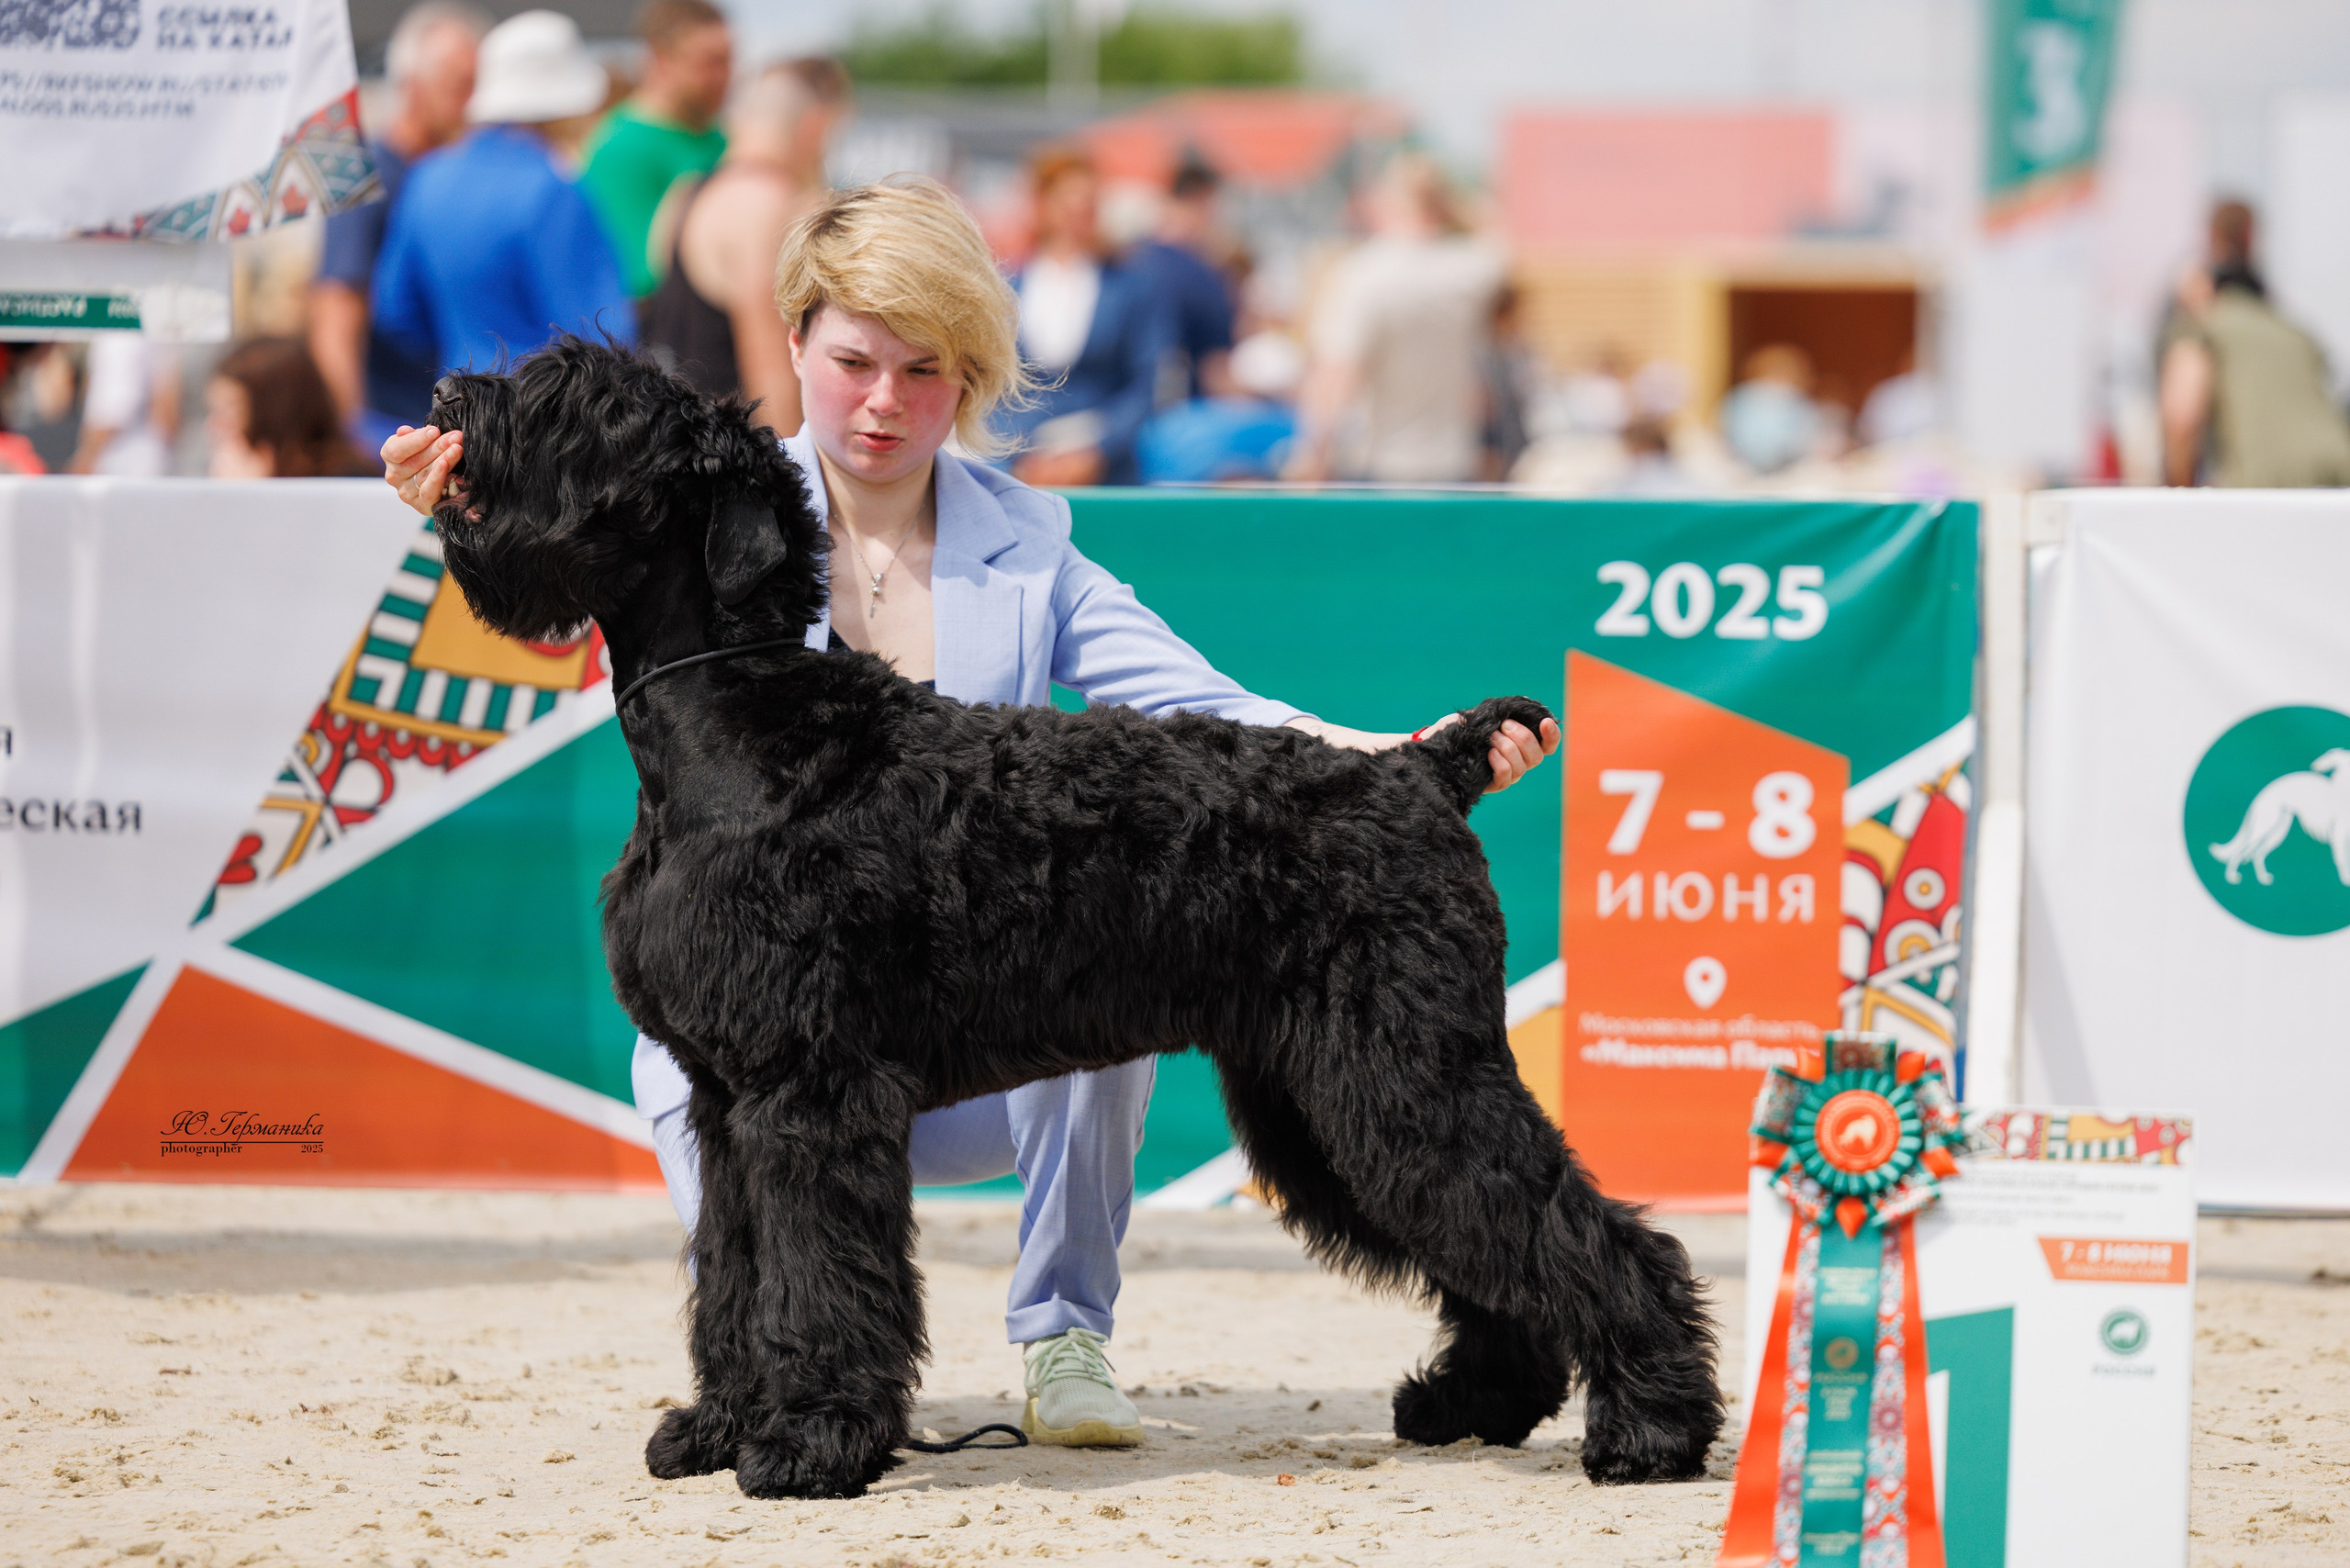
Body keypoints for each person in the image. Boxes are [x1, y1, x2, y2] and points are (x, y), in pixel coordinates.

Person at [379, 176, 1557, 1452]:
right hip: (817, 997)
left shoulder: (1030, 541)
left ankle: (1063, 1340)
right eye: (854, 362)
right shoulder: (705, 496)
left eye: (925, 371)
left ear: (973, 379)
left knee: (1122, 1002)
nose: (885, 401)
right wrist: (459, 510)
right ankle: (756, 1384)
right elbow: (549, 593)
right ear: (794, 346)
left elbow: (1212, 702)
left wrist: (1414, 757)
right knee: (757, 1101)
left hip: (978, 1023)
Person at [373, 10, 634, 377]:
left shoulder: (427, 178)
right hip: (545, 423)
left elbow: (397, 311)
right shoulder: (553, 191)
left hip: (458, 415)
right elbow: (605, 340)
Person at [309, 1, 486, 452]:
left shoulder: (457, 175)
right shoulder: (372, 175)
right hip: (391, 425)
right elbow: (337, 308)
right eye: (458, 86)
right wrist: (350, 435)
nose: (472, 102)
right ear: (412, 86)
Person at [641, 57, 848, 430]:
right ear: (816, 127)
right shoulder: (765, 205)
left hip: (669, 439)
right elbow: (770, 372)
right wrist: (797, 478)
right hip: (730, 462)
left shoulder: (685, 192)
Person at [1289, 153, 1505, 484]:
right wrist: (1458, 208)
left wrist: (1312, 453)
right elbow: (1498, 236)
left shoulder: (1363, 274)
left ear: (1385, 201)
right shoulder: (1469, 272)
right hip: (1452, 462)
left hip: (1378, 464)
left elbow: (1337, 375)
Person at [997, 149, 1174, 488]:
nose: (1078, 215)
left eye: (1088, 204)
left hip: (1105, 459)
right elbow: (992, 387)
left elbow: (1146, 383)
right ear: (1043, 205)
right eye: (1068, 203)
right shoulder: (1008, 286)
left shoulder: (1130, 286)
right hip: (1025, 459)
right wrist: (1018, 452)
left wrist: (1097, 451)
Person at [2158, 199, 2350, 488]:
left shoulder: (2202, 325)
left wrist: (2177, 498)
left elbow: (2182, 418)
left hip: (2265, 489)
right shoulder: (2292, 331)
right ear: (2252, 237)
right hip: (2340, 478)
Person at [580, 0, 733, 300]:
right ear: (660, 59)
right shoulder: (623, 149)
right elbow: (640, 280)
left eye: (728, 60)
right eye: (710, 63)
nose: (725, 76)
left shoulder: (720, 137)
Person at [1123, 158, 1238, 402]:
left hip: (1119, 405)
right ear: (1205, 200)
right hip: (1179, 412)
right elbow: (1216, 369)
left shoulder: (1126, 260)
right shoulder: (1201, 274)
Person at [205, 338, 375, 478]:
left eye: (229, 410)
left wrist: (249, 496)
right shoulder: (228, 472)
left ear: (274, 413)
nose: (214, 426)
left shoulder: (347, 479)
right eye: (214, 410)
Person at [68, 336, 178, 476]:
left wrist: (87, 457)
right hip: (148, 456)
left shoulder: (119, 338)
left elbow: (114, 410)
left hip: (123, 461)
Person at [1718, 343, 1821, 476]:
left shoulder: (1798, 403)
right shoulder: (1742, 400)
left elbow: (1810, 441)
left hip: (1788, 474)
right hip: (1742, 471)